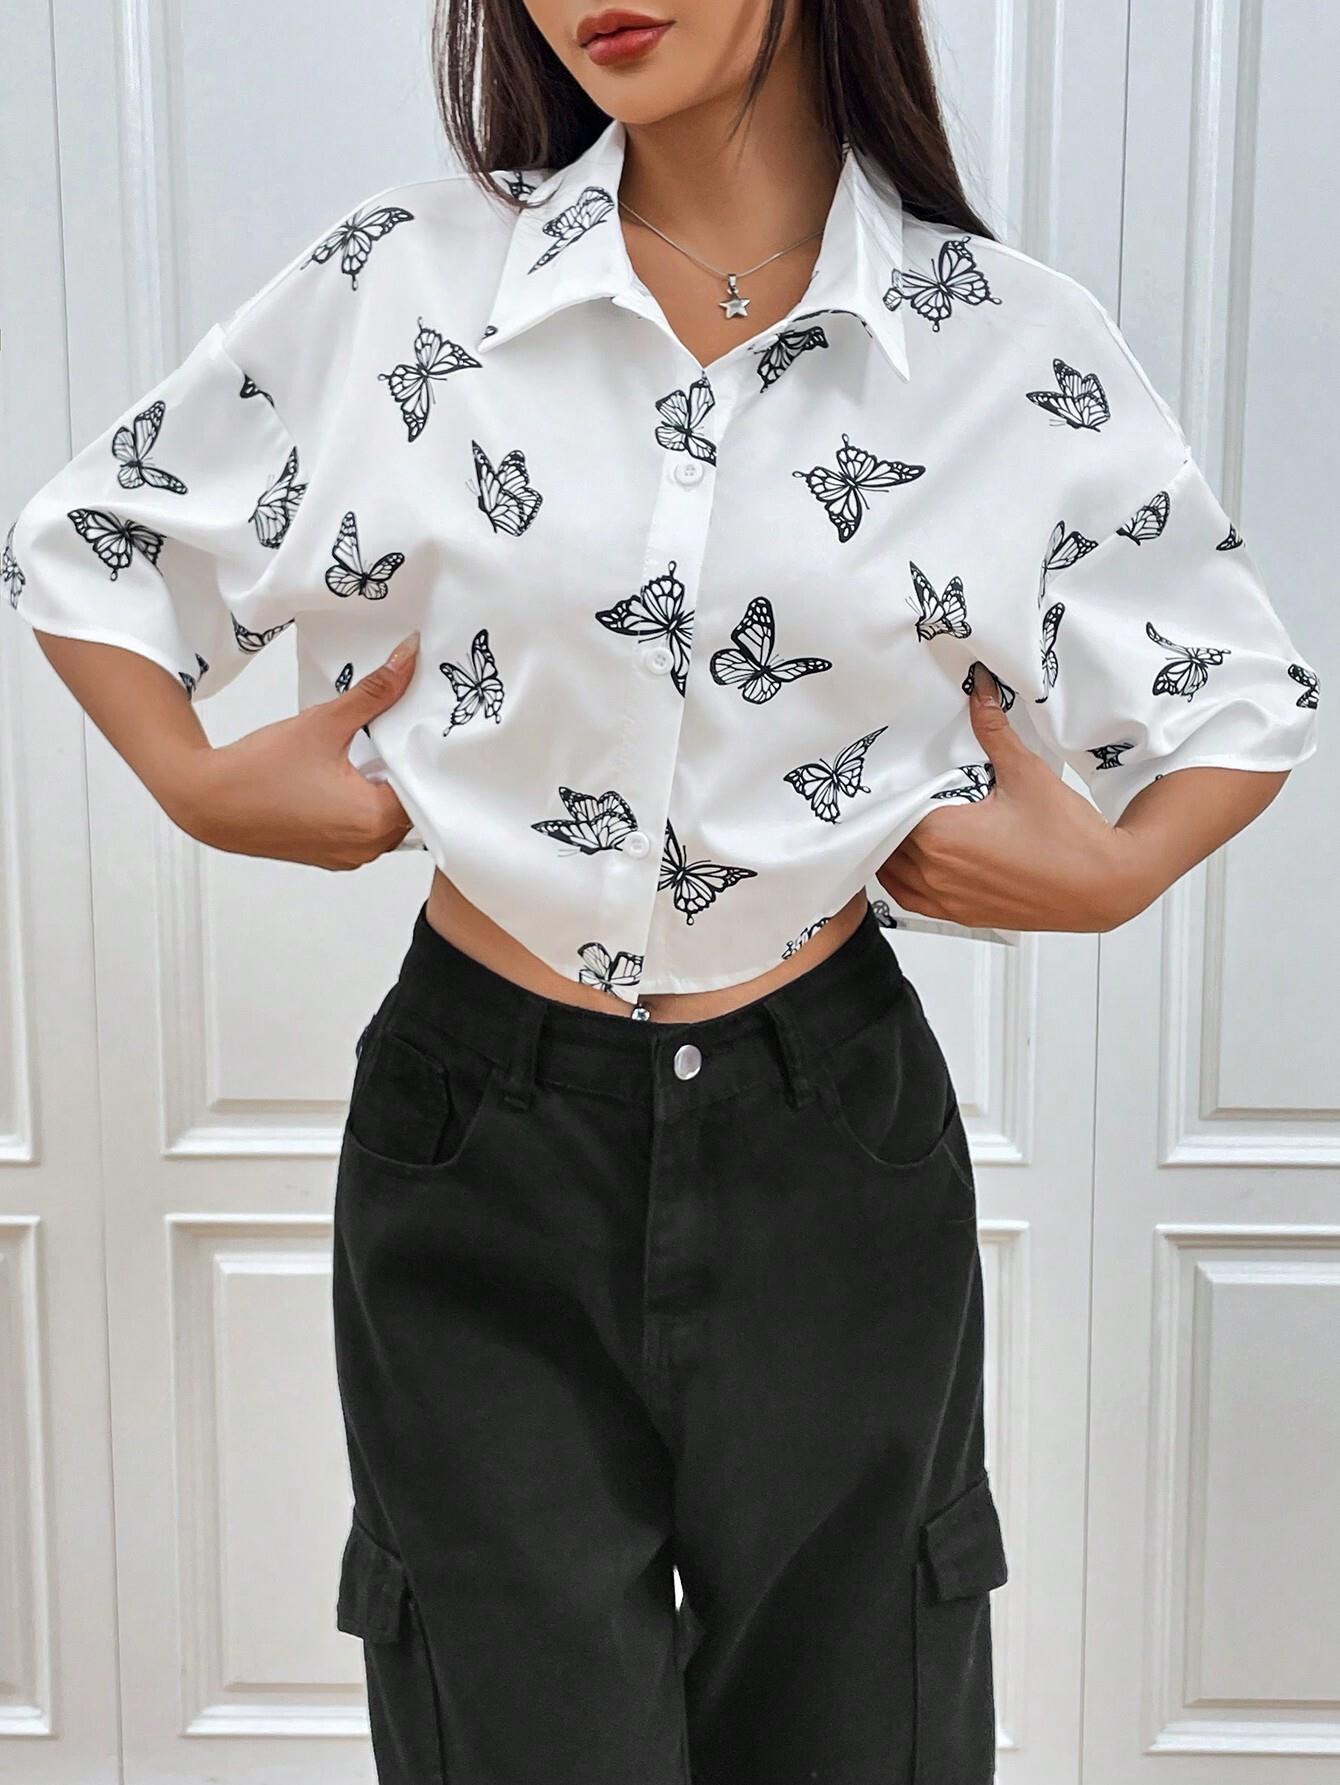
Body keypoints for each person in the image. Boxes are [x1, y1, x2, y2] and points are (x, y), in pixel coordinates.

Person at [4, 1, 1321, 1780]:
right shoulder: (414, 284)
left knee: (861, 1726)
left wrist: (1120, 872)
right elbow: (96, 544)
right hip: (480, 1143)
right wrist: (195, 778)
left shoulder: (997, 345)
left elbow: (1239, 693)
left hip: (829, 1147)